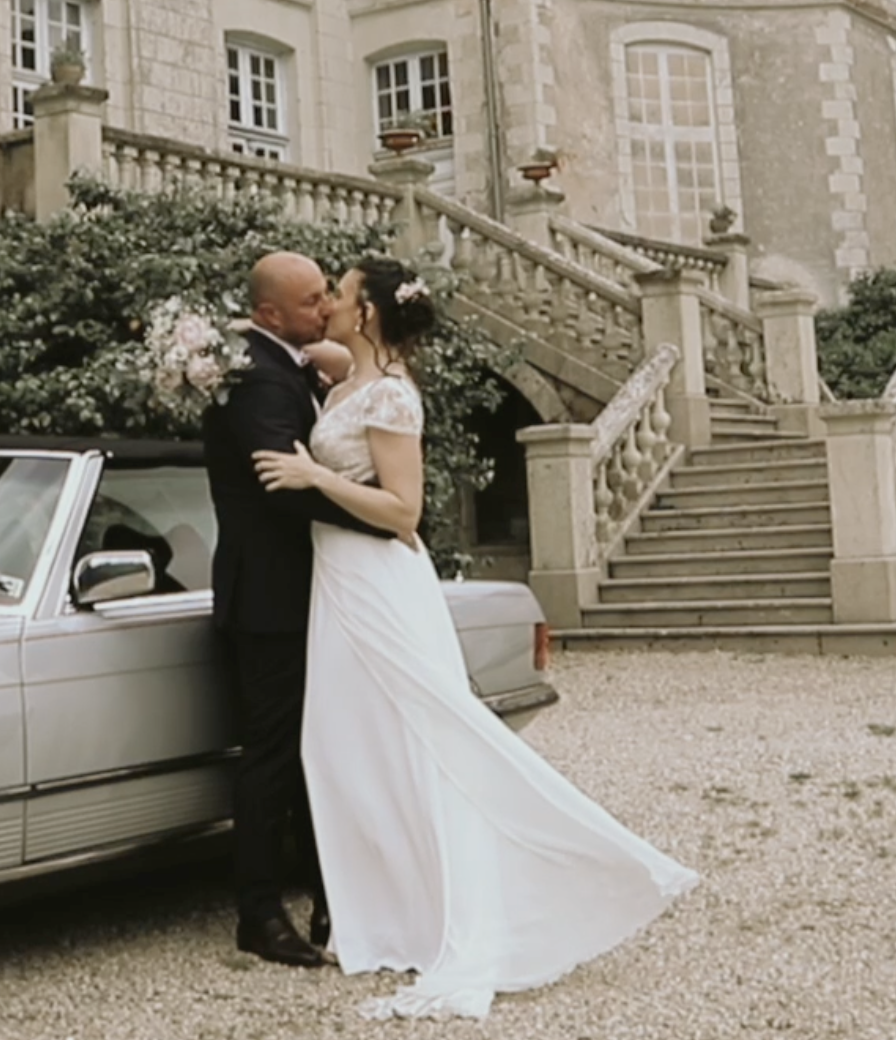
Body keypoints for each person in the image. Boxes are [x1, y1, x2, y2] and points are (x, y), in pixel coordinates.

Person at [255, 258, 701, 1020]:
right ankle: (390, 908)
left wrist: (315, 480)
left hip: (380, 580)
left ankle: (530, 879)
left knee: (427, 737)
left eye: (343, 292)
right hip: (341, 586)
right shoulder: (348, 375)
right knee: (348, 745)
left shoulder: (392, 395)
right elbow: (300, 352)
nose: (328, 300)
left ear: (365, 314)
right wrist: (234, 332)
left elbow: (403, 511)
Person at [202, 251, 393, 968]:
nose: (324, 309)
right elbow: (286, 487)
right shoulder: (257, 379)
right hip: (271, 599)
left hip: (306, 590)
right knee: (272, 758)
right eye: (311, 301)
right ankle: (258, 913)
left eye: (327, 296)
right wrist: (391, 519)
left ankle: (329, 891)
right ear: (269, 314)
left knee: (319, 748)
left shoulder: (283, 361)